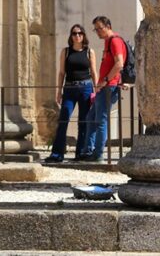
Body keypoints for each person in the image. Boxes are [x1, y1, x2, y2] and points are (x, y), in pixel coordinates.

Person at [44, 24, 98, 163]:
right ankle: (57, 153)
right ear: (71, 36)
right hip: (69, 89)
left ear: (84, 35)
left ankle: (80, 153)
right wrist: (59, 91)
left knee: (83, 121)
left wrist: (96, 89)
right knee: (64, 119)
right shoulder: (66, 52)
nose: (77, 36)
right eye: (74, 33)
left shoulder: (89, 51)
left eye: (80, 33)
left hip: (86, 88)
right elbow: (62, 72)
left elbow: (93, 72)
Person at [79, 15, 127, 162]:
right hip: (105, 87)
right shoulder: (108, 42)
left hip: (109, 87)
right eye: (96, 29)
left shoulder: (115, 41)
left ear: (108, 26)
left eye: (100, 28)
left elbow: (119, 64)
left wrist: (105, 80)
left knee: (100, 121)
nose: (98, 32)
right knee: (91, 118)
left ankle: (98, 154)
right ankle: (89, 151)